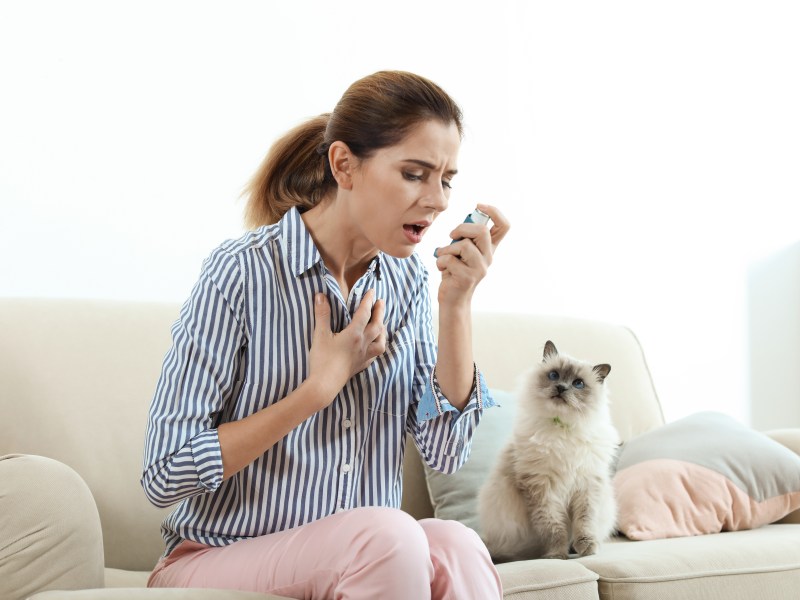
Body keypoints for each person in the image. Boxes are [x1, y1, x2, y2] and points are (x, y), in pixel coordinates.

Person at [141, 70, 509, 599]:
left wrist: (455, 305)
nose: (437, 200)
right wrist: (318, 389)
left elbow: (446, 452)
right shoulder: (241, 272)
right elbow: (163, 472)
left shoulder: (405, 281)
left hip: (362, 552)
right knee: (385, 535)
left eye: (446, 179)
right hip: (214, 555)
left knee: (456, 544)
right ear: (344, 165)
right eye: (414, 173)